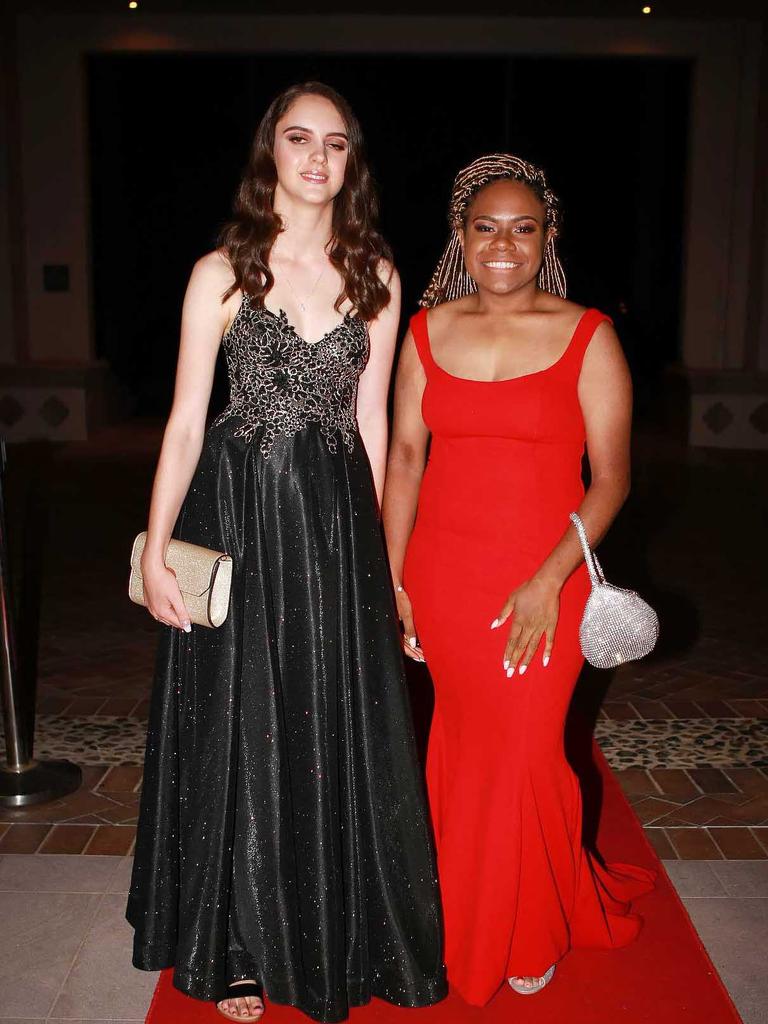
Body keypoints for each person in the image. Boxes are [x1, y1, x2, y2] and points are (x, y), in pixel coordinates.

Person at [126, 82, 447, 1024]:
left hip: (337, 529)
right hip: (237, 517)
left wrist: (390, 571)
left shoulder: (377, 272)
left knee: (331, 719)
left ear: (351, 165)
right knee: (238, 721)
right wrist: (155, 552)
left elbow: (378, 425)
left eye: (336, 144)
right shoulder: (218, 272)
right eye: (300, 138)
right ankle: (233, 947)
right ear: (271, 150)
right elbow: (186, 423)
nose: (317, 157)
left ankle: (346, 931)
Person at [382, 153, 654, 1005]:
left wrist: (548, 581)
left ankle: (531, 921)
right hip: (445, 574)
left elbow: (611, 478)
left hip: (549, 575)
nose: (504, 243)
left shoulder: (589, 334)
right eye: (486, 227)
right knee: (459, 751)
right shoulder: (425, 330)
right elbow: (404, 455)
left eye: (523, 227)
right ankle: (457, 914)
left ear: (549, 237)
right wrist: (392, 579)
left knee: (530, 754)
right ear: (461, 238)